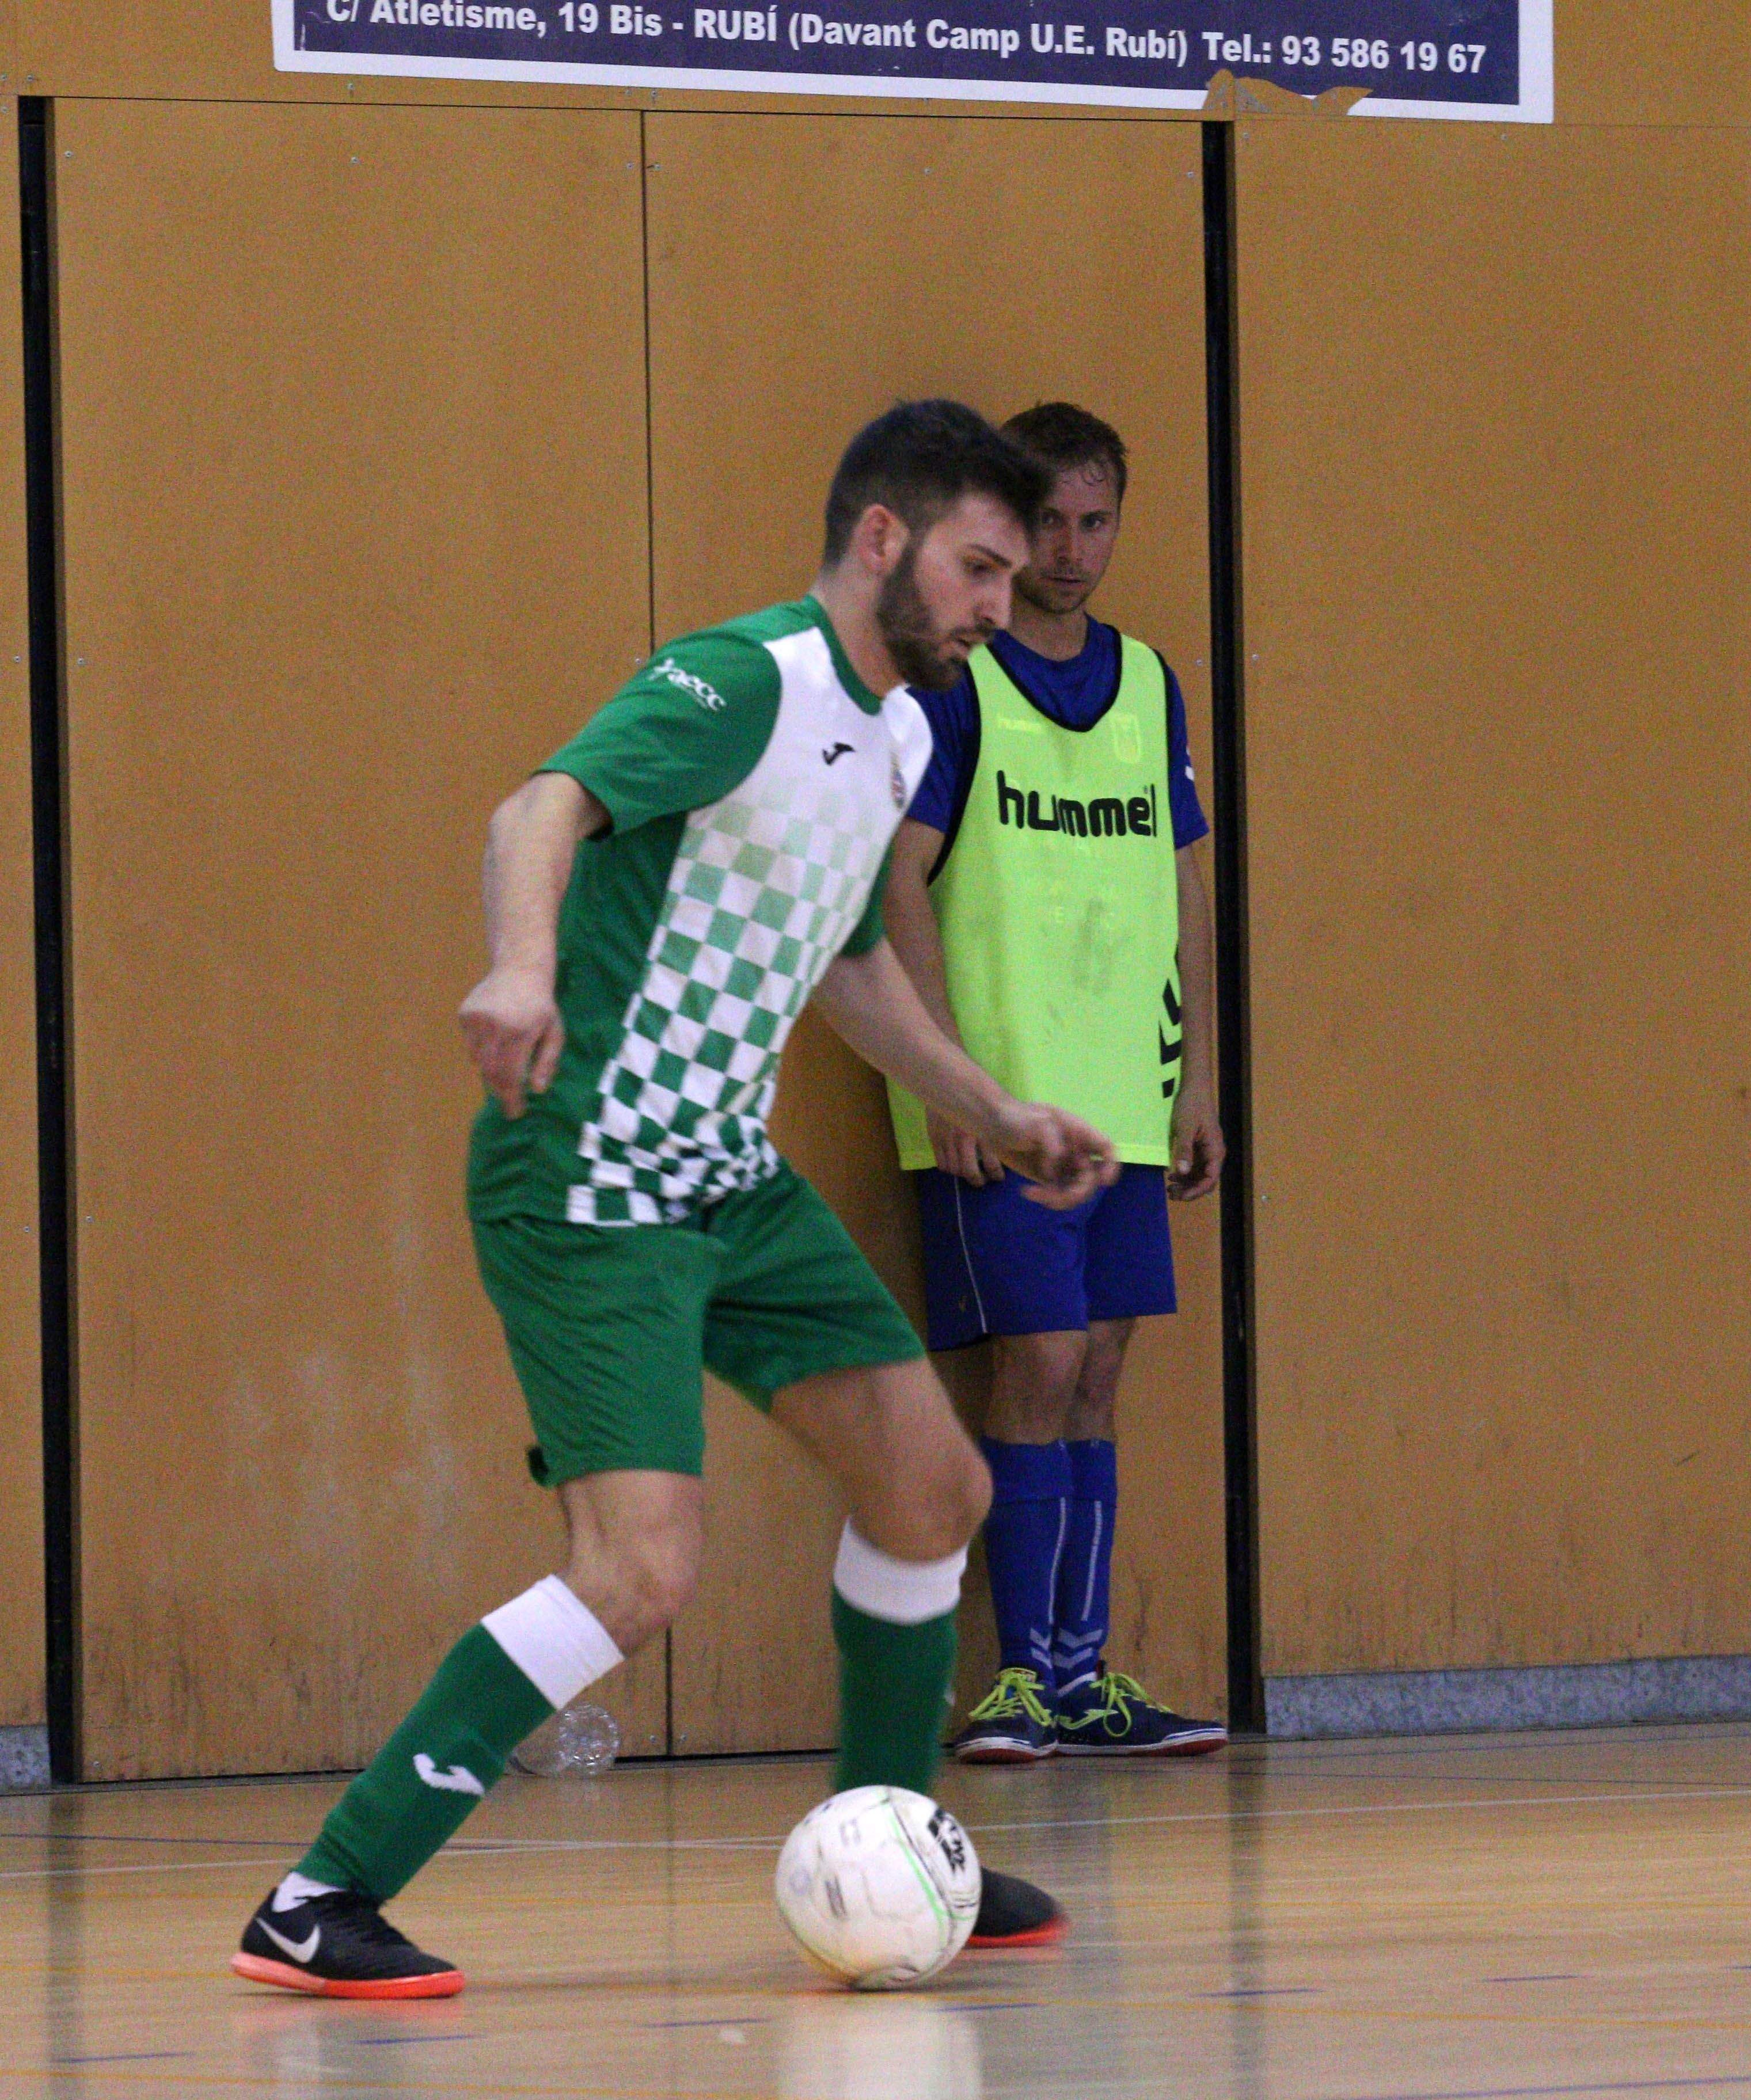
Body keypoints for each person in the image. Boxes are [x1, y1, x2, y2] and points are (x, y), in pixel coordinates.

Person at [230, 401, 1118, 1999]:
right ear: (882, 539)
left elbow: (847, 962)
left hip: (727, 1175)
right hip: (589, 1170)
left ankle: (889, 1843)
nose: (1005, 602)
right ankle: (322, 1896)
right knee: (638, 1569)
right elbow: (537, 810)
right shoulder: (746, 680)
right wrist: (520, 969)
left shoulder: (905, 735)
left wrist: (992, 1108)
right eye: (980, 568)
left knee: (933, 1488)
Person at [881, 402, 1227, 1762]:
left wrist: (1198, 1077)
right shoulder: (960, 681)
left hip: (1124, 1094)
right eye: (1051, 525)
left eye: (1098, 522)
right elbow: (896, 877)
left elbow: (1184, 881)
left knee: (1101, 1370)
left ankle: (1085, 1676)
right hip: (1005, 1106)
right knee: (1040, 1359)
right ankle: (1022, 1675)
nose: (1074, 551)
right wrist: (951, 1082)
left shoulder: (1148, 683)